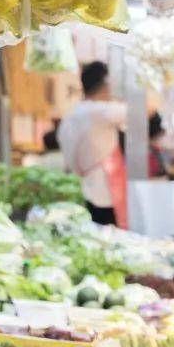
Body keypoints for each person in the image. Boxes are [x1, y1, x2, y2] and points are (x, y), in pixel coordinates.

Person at [58, 61, 127, 226]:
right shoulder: (99, 112)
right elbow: (142, 109)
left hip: (82, 188)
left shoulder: (72, 114)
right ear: (106, 85)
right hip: (104, 193)